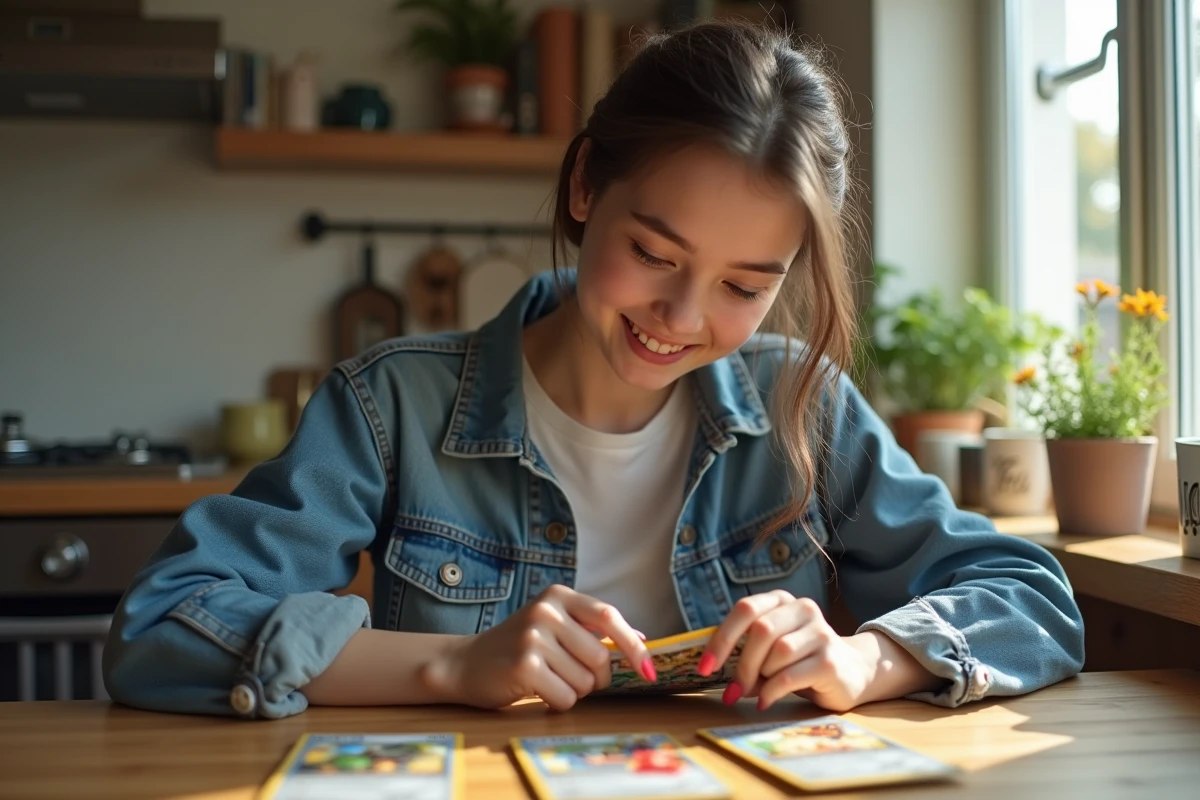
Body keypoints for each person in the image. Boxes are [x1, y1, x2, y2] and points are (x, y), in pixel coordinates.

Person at [103, 21, 1084, 720]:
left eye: (746, 284)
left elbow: (1029, 598)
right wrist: (454, 665)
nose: (684, 318)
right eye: (655, 255)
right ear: (583, 186)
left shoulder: (807, 405)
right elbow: (162, 626)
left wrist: (861, 655)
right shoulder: (391, 402)